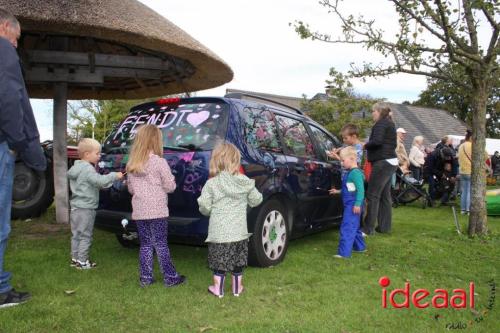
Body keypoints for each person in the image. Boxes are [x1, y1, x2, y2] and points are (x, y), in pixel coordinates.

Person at [0, 10, 47, 308]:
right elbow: (10, 96)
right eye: (16, 39)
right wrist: (18, 144)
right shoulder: (3, 49)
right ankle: (1, 290)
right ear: (5, 26)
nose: (16, 46)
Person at [197, 142, 263, 297]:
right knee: (237, 263)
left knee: (219, 263)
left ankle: (217, 290)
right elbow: (257, 200)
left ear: (216, 160)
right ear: (236, 160)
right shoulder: (244, 181)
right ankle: (237, 289)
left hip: (219, 233)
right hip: (239, 233)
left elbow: (204, 206)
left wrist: (209, 211)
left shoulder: (212, 183)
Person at [127, 125, 185, 287]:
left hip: (140, 211)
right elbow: (170, 186)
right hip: (158, 211)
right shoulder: (159, 162)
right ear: (155, 141)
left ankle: (146, 278)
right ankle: (171, 277)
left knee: (145, 244)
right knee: (160, 244)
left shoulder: (132, 164)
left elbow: (131, 189)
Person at [68, 139, 123, 269]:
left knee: (76, 234)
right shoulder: (88, 169)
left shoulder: (76, 167)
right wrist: (114, 176)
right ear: (87, 154)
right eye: (97, 153)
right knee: (86, 235)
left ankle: (75, 258)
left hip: (75, 208)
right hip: (86, 208)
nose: (99, 156)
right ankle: (82, 262)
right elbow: (100, 181)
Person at [362, 103, 398, 235]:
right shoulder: (389, 123)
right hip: (390, 161)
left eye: (373, 111)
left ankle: (367, 228)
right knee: (384, 196)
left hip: (383, 162)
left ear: (378, 112)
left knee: (372, 195)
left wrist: (365, 145)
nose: (372, 114)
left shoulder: (381, 123)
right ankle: (384, 227)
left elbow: (377, 141)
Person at [329, 147, 366, 258]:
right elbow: (350, 189)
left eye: (343, 160)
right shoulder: (351, 172)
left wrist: (358, 204)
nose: (342, 163)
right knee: (354, 227)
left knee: (347, 227)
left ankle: (344, 253)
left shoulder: (355, 173)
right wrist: (338, 191)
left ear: (352, 158)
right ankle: (360, 247)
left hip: (353, 206)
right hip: (351, 205)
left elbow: (360, 190)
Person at [457, 130, 472, 214]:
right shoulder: (472, 145)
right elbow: (485, 155)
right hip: (470, 170)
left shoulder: (461, 146)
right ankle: (468, 209)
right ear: (470, 137)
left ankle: (463, 210)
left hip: (462, 171)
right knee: (469, 191)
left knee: (464, 190)